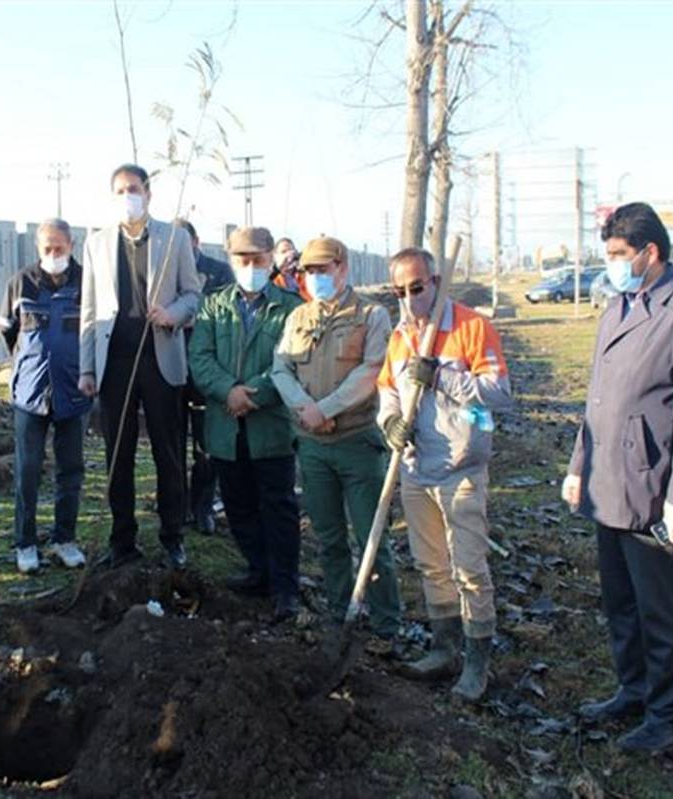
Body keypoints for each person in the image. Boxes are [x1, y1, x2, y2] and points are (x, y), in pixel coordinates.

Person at [562, 202, 673, 755]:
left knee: (661, 609)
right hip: (609, 481)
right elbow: (598, 398)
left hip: (653, 489)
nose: (610, 264)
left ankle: (671, 717)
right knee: (621, 602)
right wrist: (578, 465)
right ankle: (634, 690)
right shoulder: (619, 307)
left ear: (650, 254)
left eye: (618, 255)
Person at [378, 247, 512, 702]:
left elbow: (498, 395)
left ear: (435, 282)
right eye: (400, 292)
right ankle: (444, 648)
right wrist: (390, 423)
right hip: (416, 467)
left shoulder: (472, 327)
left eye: (418, 288)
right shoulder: (399, 337)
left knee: (469, 567)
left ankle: (477, 663)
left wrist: (442, 379)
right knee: (431, 564)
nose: (410, 299)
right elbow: (389, 395)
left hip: (462, 467)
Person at [271, 236, 401, 634]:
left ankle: (385, 623)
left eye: (322, 270)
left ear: (342, 269)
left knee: (371, 539)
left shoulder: (371, 315)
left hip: (356, 443)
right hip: (314, 448)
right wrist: (306, 412)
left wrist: (324, 409)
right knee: (329, 539)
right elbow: (280, 370)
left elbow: (371, 371)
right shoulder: (299, 318)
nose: (315, 278)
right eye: (308, 271)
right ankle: (339, 611)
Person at [78, 164, 202, 569]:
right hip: (114, 363)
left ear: (148, 193)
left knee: (169, 453)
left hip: (161, 359)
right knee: (119, 455)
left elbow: (193, 295)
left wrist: (172, 313)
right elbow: (89, 311)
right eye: (119, 191)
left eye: (133, 189)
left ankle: (172, 536)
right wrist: (87, 369)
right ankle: (122, 539)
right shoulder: (96, 244)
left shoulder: (174, 238)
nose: (127, 197)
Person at [189, 226, 303, 620]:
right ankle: (259, 570)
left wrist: (251, 394)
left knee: (279, 505)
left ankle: (287, 585)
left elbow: (293, 360)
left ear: (271, 258)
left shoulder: (290, 307)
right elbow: (199, 357)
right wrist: (227, 391)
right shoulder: (213, 305)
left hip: (269, 424)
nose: (250, 266)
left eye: (258, 259)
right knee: (238, 505)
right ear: (231, 258)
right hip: (225, 424)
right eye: (243, 259)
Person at [0, 219, 91, 573]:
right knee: (28, 470)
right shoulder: (21, 283)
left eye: (60, 248)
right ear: (38, 249)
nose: (54, 255)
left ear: (71, 245)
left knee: (71, 470)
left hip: (74, 392)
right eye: (47, 249)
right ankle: (25, 543)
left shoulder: (86, 283)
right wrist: (27, 366)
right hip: (30, 395)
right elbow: (7, 331)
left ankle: (64, 538)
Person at [176, 217, 234, 535]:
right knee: (172, 444)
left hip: (206, 370)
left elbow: (225, 317)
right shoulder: (163, 274)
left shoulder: (219, 272)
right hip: (170, 369)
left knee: (205, 445)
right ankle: (176, 504)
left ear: (196, 243)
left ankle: (203, 506)